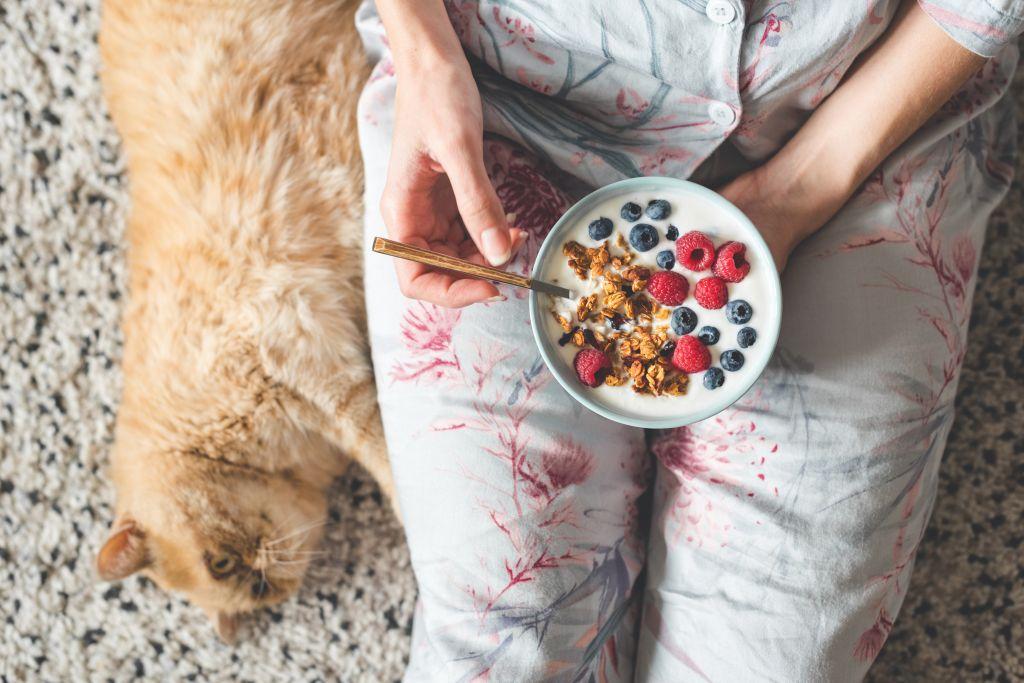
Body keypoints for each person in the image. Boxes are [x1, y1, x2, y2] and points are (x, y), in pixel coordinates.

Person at [356, 1, 1021, 679]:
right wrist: (426, 56)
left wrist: (799, 190)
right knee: (505, 649)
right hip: (504, 98)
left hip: (866, 107)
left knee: (768, 662)